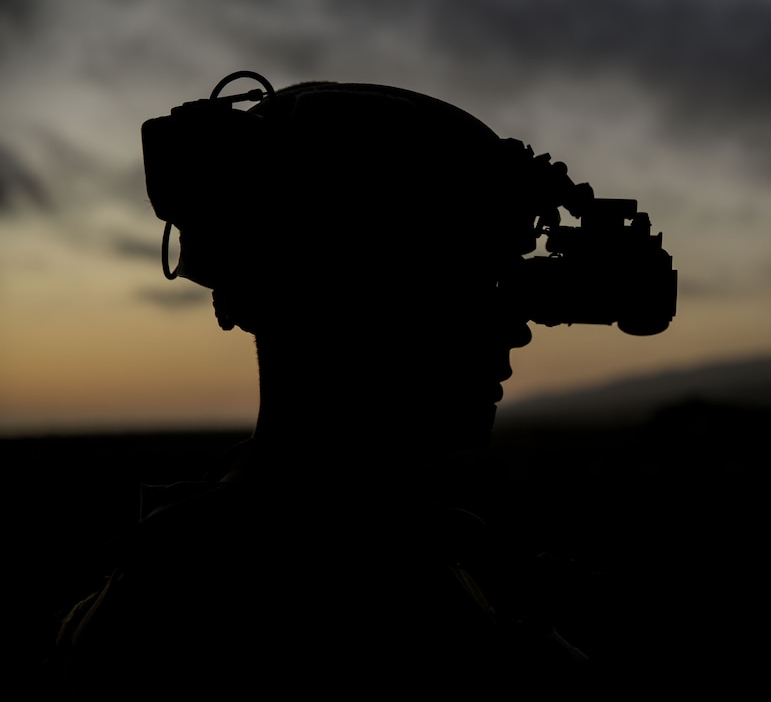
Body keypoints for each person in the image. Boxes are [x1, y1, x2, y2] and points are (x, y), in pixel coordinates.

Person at [56, 72, 674, 695]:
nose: (518, 331)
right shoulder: (198, 614)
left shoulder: (411, 539)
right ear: (349, 297)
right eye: (471, 285)